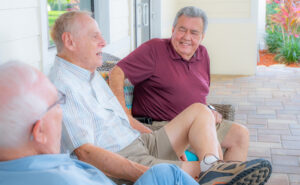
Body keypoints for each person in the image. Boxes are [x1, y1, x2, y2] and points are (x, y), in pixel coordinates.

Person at [49, 11, 272, 184]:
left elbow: (119, 121)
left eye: (194, 33)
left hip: (140, 141)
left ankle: (214, 169)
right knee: (203, 171)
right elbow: (86, 153)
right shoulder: (64, 87)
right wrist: (151, 172)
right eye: (94, 36)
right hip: (124, 157)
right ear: (70, 41)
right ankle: (214, 172)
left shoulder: (88, 73)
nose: (103, 42)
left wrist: (154, 137)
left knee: (200, 111)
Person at [0, 61, 200, 185]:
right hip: (128, 162)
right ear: (40, 131)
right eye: (57, 102)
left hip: (137, 145)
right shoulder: (66, 180)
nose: (62, 111)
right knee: (167, 175)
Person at [109, 6, 249, 163]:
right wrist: (124, 115)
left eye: (194, 32)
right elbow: (116, 72)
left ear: (202, 36)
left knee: (241, 135)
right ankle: (216, 175)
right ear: (173, 30)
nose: (187, 37)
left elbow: (195, 95)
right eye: (182, 30)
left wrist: (209, 109)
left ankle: (229, 177)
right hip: (163, 127)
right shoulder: (154, 49)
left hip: (198, 121)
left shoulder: (203, 55)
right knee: (215, 152)